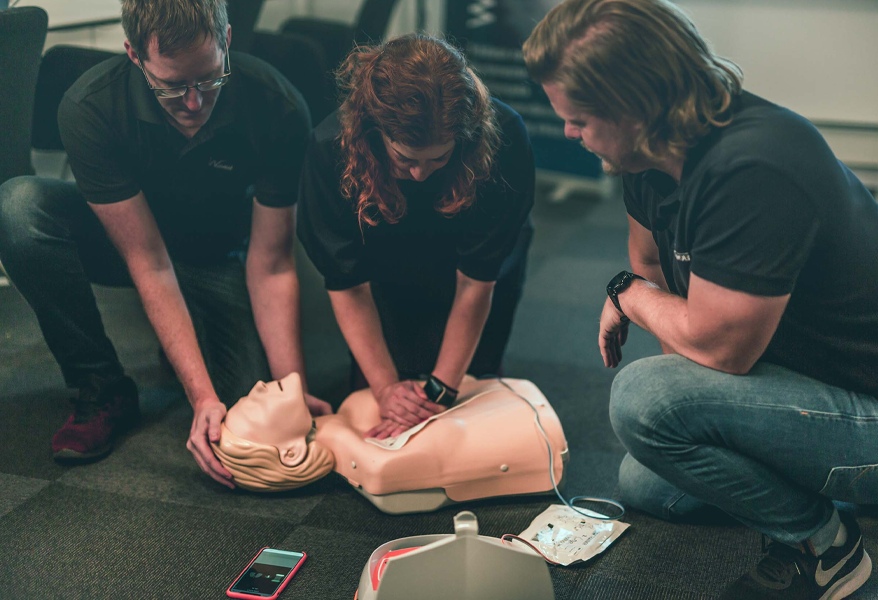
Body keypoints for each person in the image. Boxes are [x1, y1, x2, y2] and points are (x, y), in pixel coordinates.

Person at [523, 1, 878, 599]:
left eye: (582, 118)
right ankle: (820, 480)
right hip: (808, 384)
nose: (568, 132)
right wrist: (643, 295)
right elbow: (650, 268)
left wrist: (626, 294)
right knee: (647, 482)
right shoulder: (643, 159)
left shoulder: (758, 164)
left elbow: (716, 349)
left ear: (638, 106)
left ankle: (824, 543)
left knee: (642, 398)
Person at [0, 0, 330, 488]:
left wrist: (290, 391)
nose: (195, 103)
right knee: (18, 207)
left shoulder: (278, 106)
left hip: (217, 254)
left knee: (249, 423)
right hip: (133, 245)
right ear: (134, 55)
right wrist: (200, 397)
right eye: (173, 87)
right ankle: (102, 385)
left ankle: (186, 336)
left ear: (228, 41)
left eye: (209, 79)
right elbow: (149, 262)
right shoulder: (90, 107)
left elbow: (274, 263)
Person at [297, 34, 535, 441]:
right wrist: (387, 387)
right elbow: (347, 283)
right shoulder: (331, 149)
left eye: (438, 159)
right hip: (383, 255)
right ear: (376, 131)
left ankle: (474, 368)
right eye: (406, 159)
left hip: (471, 258)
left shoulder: (503, 138)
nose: (421, 174)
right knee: (379, 392)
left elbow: (476, 281)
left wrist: (442, 389)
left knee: (471, 394)